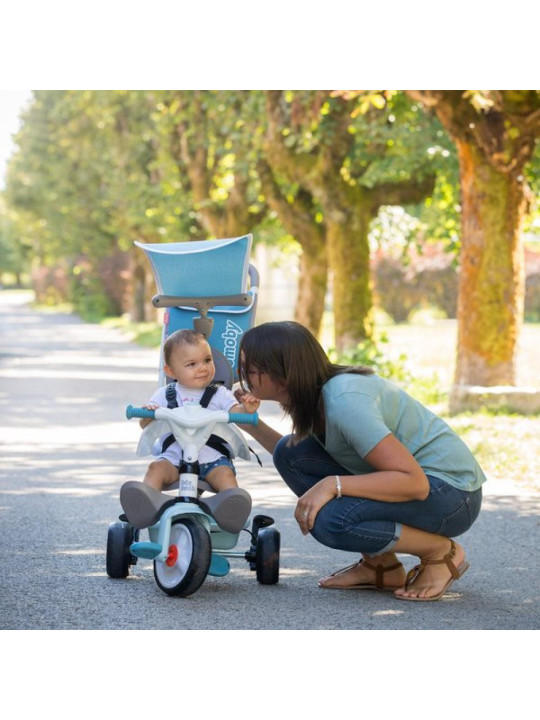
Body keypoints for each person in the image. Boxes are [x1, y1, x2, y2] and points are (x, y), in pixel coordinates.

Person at [235, 321, 486, 602]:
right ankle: (381, 565)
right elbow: (297, 458)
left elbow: (415, 484)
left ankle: (440, 552)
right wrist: (251, 423)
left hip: (451, 496)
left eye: (252, 369)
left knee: (331, 520)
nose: (244, 376)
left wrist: (332, 485)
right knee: (289, 452)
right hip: (428, 486)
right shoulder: (312, 396)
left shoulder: (344, 402)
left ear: (284, 373)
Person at [140, 329, 260, 495]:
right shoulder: (164, 394)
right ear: (171, 371)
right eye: (192, 364)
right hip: (174, 459)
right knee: (155, 469)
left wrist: (247, 409)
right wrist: (148, 414)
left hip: (212, 460)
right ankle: (144, 505)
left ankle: (232, 509)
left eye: (207, 360)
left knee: (226, 476)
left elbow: (238, 414)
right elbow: (145, 424)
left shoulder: (219, 393)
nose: (203, 368)